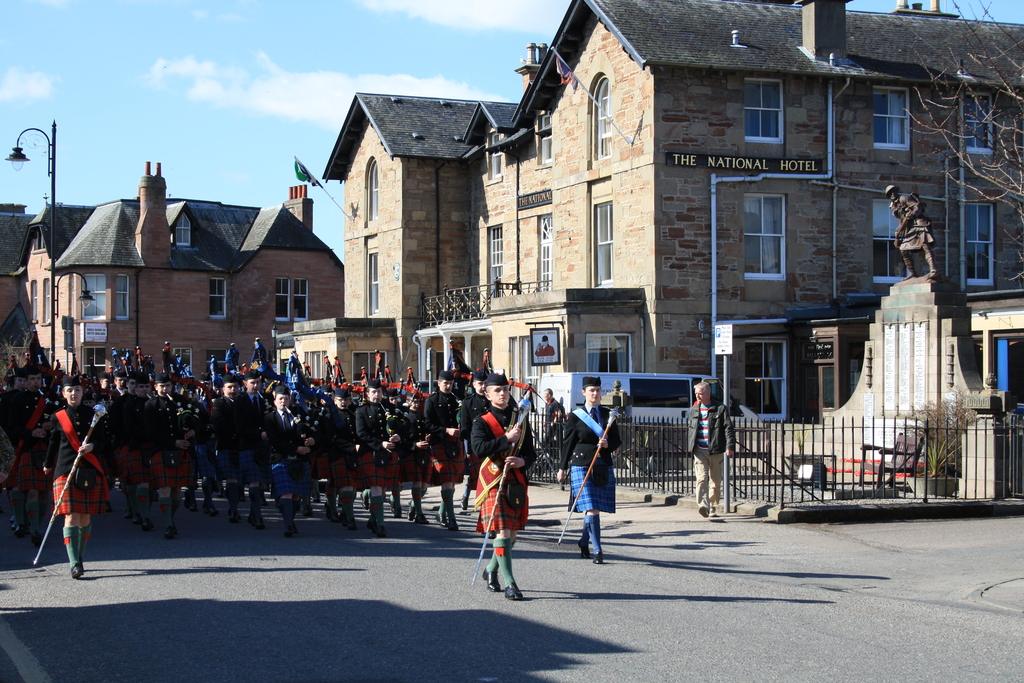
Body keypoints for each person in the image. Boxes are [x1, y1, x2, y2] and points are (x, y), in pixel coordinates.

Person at [472, 373, 535, 600]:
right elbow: (478, 449)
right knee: (503, 531)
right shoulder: (481, 421)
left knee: (513, 533)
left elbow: (531, 452)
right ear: (488, 395)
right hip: (493, 480)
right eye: (497, 391)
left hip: (515, 480)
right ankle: (510, 584)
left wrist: (523, 461)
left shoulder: (521, 418)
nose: (502, 394)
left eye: (505, 390)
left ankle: (491, 570)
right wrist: (506, 439)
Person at [43, 375, 107, 579]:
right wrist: (47, 464)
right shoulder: (57, 416)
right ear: (63, 394)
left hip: (89, 469)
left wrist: (92, 446)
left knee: (85, 516)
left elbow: (105, 441)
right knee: (71, 515)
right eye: (69, 390)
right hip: (65, 469)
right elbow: (53, 443)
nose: (73, 393)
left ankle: (80, 557)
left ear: (82, 392)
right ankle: (73, 562)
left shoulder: (93, 414)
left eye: (77, 390)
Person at [557, 376, 621, 564]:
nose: (595, 394)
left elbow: (617, 439)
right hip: (581, 464)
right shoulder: (576, 416)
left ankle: (584, 542)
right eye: (591, 391)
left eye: (598, 390)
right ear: (584, 392)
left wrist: (608, 443)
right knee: (592, 508)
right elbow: (568, 443)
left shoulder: (609, 415)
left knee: (593, 508)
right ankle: (598, 550)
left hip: (602, 464)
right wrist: (561, 468)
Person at [144, 373, 197, 539]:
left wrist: (193, 430)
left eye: (167, 385)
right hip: (161, 449)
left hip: (182, 450)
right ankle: (168, 525)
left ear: (171, 386)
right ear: (155, 387)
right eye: (161, 386)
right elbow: (152, 431)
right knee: (165, 488)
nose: (164, 389)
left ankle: (171, 520)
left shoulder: (182, 401)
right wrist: (174, 442)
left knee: (176, 490)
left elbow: (197, 417)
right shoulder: (150, 405)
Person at [5, 366, 54, 545]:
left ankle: (37, 527)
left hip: (46, 449)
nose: (36, 382)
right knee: (32, 490)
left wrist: (51, 427)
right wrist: (30, 433)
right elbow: (12, 427)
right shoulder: (17, 400)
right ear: (26, 381)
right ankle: (35, 530)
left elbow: (62, 424)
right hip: (27, 448)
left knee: (43, 493)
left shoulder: (50, 400)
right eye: (32, 379)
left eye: (38, 378)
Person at [266, 386, 315, 537]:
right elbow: (275, 441)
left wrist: (312, 440)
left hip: (300, 460)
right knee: (286, 493)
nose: (283, 402)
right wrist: (296, 449)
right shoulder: (270, 418)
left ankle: (291, 521)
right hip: (281, 458)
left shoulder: (298, 413)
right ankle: (287, 525)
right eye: (280, 399)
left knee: (296, 495)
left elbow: (312, 431)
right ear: (275, 401)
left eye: (286, 399)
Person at [355, 379, 401, 538]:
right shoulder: (361, 411)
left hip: (388, 453)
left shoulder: (390, 408)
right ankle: (381, 525)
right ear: (367, 394)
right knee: (376, 488)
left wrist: (397, 435)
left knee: (382, 491)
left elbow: (403, 425)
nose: (377, 395)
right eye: (373, 392)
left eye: (379, 392)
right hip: (371, 452)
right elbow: (361, 434)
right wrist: (380, 443)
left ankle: (373, 520)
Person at [686, 381, 735, 519]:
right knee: (701, 478)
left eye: (700, 394)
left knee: (715, 480)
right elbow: (690, 429)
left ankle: (712, 506)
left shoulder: (720, 408)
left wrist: (729, 447)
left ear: (708, 393)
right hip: (699, 449)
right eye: (696, 394)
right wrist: (690, 445)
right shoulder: (694, 409)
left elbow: (728, 429)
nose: (698, 397)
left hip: (716, 449)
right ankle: (703, 505)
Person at [425, 370, 463, 530]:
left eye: (451, 383)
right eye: (445, 383)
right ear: (439, 383)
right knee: (447, 481)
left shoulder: (457, 401)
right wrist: (446, 430)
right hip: (439, 442)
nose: (448, 386)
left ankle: (441, 512)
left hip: (455, 443)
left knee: (452, 482)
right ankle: (452, 519)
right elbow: (427, 424)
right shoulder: (432, 401)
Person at [234, 369, 271, 529]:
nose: (256, 386)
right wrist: (260, 434)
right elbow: (240, 428)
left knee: (261, 482)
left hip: (264, 447)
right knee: (254, 481)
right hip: (248, 446)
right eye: (253, 383)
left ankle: (251, 514)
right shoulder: (240, 402)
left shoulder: (267, 400)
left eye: (258, 382)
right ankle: (257, 516)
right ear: (245, 384)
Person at [122, 373, 155, 530]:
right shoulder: (130, 404)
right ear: (135, 388)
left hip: (155, 446)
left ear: (150, 387)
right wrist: (147, 434)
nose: (143, 389)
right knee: (141, 482)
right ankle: (144, 517)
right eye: (140, 387)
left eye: (146, 386)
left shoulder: (155, 403)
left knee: (152, 485)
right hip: (137, 445)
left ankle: (144, 512)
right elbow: (129, 427)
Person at [885, 184, 938, 280]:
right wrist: (899, 231)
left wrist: (912, 214)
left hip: (919, 224)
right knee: (903, 250)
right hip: (909, 228)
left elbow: (917, 206)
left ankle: (933, 270)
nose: (892, 194)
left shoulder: (904, 198)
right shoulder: (894, 207)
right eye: (890, 193)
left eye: (893, 191)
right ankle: (913, 273)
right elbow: (901, 221)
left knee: (926, 246)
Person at [327, 387, 361, 530]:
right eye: (341, 400)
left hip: (353, 456)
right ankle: (350, 518)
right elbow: (333, 438)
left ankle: (344, 513)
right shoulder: (331, 416)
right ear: (335, 400)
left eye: (346, 400)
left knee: (352, 488)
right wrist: (352, 447)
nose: (344, 402)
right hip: (339, 454)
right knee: (346, 486)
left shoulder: (352, 414)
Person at [212, 373, 243, 522]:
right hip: (226, 444)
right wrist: (238, 433)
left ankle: (236, 507)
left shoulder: (243, 402)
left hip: (242, 446)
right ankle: (233, 509)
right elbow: (219, 423)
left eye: (235, 387)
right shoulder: (219, 403)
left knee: (239, 480)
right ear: (223, 389)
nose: (233, 390)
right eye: (230, 387)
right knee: (232, 479)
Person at [458, 370, 490, 511]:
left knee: (489, 476)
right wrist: (475, 444)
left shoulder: (492, 401)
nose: (483, 386)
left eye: (485, 383)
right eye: (480, 383)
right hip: (476, 447)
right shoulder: (468, 403)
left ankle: (486, 505)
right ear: (474, 384)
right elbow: (465, 429)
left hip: (493, 446)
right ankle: (468, 497)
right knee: (476, 477)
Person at [400, 393, 431, 524]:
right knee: (417, 482)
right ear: (408, 401)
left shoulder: (423, 417)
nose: (416, 404)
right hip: (411, 453)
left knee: (424, 486)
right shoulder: (404, 418)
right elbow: (400, 440)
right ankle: (419, 514)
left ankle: (413, 504)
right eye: (414, 402)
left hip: (423, 453)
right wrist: (414, 445)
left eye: (418, 402)